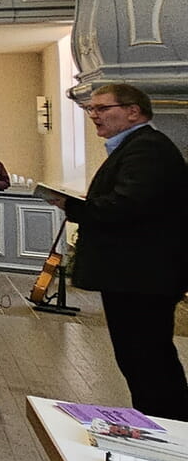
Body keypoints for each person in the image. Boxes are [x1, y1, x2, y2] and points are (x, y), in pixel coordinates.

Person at [45, 84, 188, 419]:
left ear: (133, 111)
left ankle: (170, 431)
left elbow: (127, 205)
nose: (94, 115)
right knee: (141, 359)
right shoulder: (139, 147)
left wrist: (75, 207)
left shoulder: (147, 149)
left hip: (141, 276)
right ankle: (161, 425)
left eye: (101, 108)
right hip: (136, 275)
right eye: (90, 109)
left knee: (147, 360)